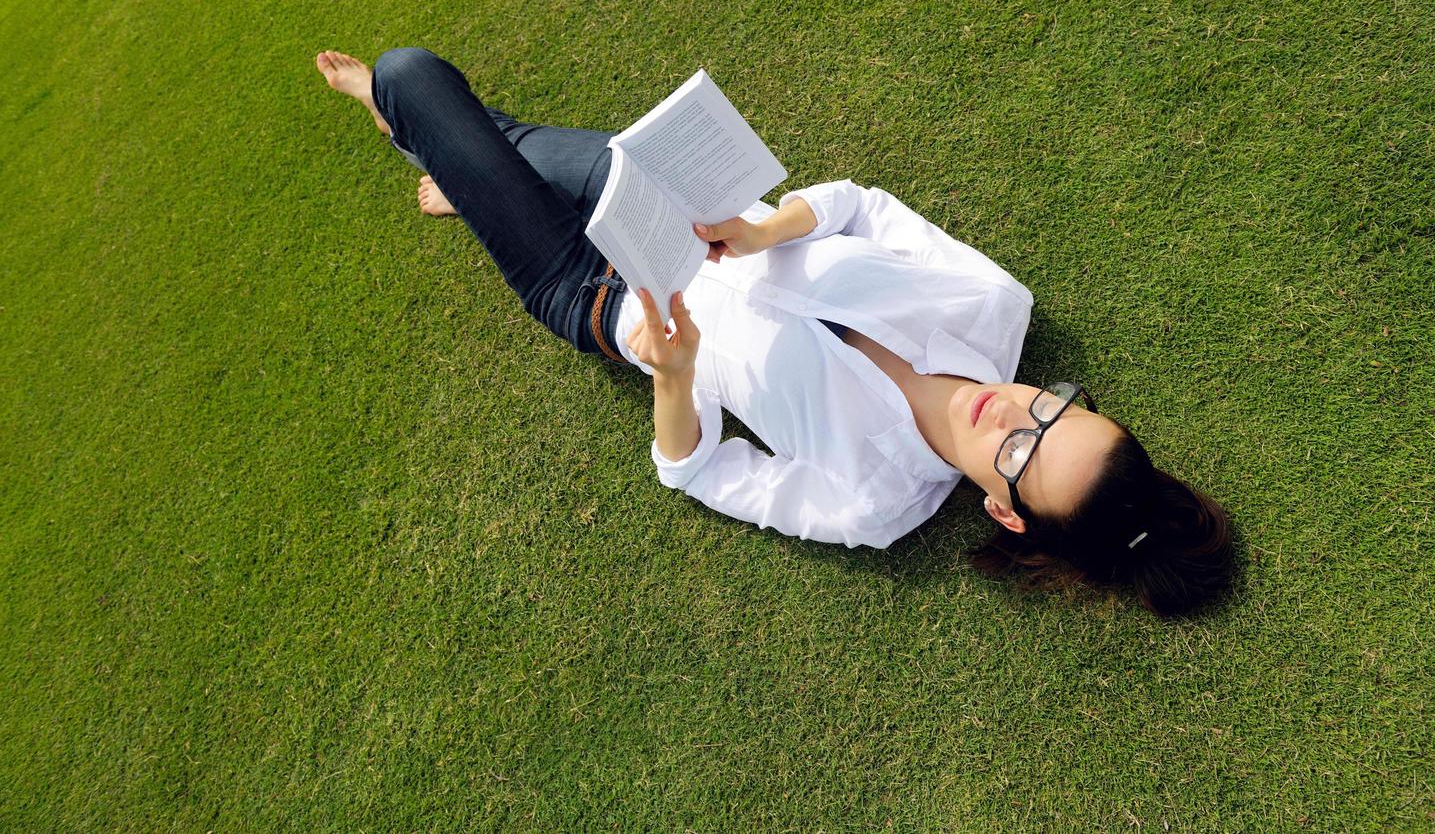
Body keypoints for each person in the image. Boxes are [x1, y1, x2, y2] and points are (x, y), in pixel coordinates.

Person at [315, 47, 1235, 618]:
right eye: (1057, 408)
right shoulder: (992, 306)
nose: (1016, 414)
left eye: (1024, 455)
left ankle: (426, 142)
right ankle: (463, 172)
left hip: (598, 299)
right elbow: (862, 209)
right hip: (668, 207)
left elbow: (701, 473)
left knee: (408, 78)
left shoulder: (878, 502)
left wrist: (673, 377)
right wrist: (763, 230)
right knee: (494, 140)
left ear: (1005, 510)